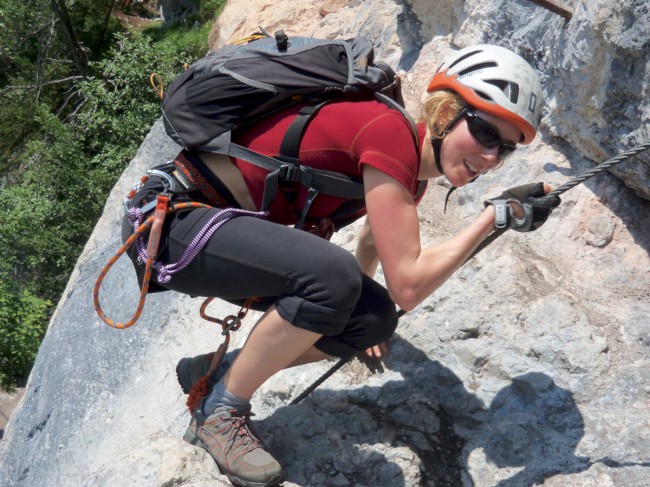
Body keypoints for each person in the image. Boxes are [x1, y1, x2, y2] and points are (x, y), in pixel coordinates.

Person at [121, 43, 560, 487]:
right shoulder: (388, 132)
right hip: (173, 221)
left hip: (212, 232)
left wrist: (345, 314)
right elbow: (408, 284)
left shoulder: (408, 174)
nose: (490, 157)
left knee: (373, 317)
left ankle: (215, 373)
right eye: (485, 133)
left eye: (504, 149)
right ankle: (220, 413)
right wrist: (493, 217)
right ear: (445, 112)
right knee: (335, 278)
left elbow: (374, 243)